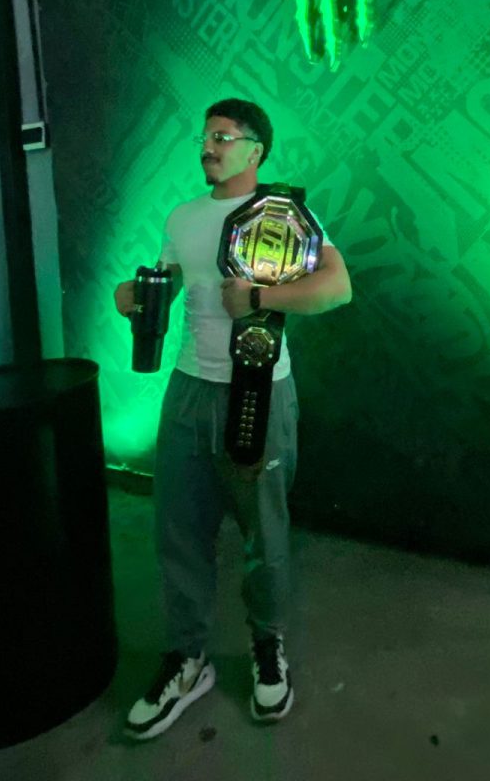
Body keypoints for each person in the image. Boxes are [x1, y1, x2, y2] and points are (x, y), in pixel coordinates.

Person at [114, 98, 351, 740]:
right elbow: (167, 283)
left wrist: (261, 296)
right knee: (178, 530)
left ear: (256, 150)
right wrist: (135, 296)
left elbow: (337, 288)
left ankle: (267, 645)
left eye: (223, 137)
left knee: (263, 533)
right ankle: (187, 659)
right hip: (189, 390)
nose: (208, 147)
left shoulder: (283, 212)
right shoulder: (183, 217)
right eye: (205, 136)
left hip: (260, 389)